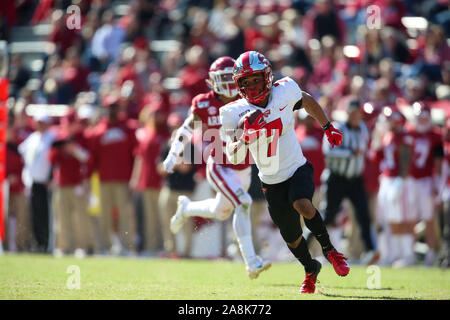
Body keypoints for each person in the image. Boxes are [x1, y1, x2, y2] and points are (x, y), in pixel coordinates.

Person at [220, 51, 349, 294]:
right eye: (245, 82)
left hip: (297, 167)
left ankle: (330, 250)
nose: (251, 86)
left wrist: (327, 126)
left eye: (255, 79)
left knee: (302, 203)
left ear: (267, 77)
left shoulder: (284, 90)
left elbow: (307, 100)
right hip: (270, 180)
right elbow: (232, 155)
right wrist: (245, 139)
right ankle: (311, 269)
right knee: (292, 238)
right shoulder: (232, 113)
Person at [163, 56, 271, 279]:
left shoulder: (247, 100)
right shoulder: (204, 102)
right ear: (212, 81)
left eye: (230, 78)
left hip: (243, 167)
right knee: (243, 202)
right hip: (220, 165)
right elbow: (185, 128)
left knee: (221, 212)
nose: (229, 84)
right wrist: (174, 154)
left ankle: (187, 209)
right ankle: (251, 261)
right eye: (222, 79)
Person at [321, 99, 379, 265]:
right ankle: (307, 245)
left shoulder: (363, 129)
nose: (355, 116)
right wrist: (350, 153)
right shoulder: (337, 128)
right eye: (352, 113)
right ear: (347, 113)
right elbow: (328, 151)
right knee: (328, 216)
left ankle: (370, 251)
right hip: (336, 178)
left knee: (364, 216)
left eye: (358, 113)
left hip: (355, 179)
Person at [372, 107, 414, 267]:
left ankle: (406, 255)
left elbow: (406, 161)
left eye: (389, 119)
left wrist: (401, 181)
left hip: (397, 180)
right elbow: (377, 157)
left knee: (400, 219)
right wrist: (377, 138)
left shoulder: (404, 137)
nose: (386, 122)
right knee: (387, 220)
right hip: (387, 179)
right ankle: (391, 254)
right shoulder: (388, 135)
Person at [406, 101, 444, 266]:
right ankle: (410, 254)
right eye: (419, 116)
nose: (421, 120)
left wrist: (437, 184)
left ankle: (431, 255)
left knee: (429, 219)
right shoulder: (408, 131)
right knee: (410, 218)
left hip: (426, 180)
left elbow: (438, 163)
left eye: (424, 117)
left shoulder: (435, 135)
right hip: (411, 180)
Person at [18, 113, 57, 253]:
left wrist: (51, 177)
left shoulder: (52, 137)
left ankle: (47, 244)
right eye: (38, 122)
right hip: (32, 181)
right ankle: (38, 243)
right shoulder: (33, 138)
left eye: (42, 122)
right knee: (35, 215)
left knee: (46, 214)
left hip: (46, 182)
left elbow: (55, 158)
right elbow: (21, 152)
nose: (39, 125)